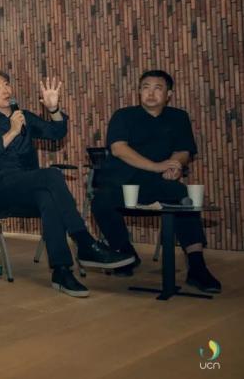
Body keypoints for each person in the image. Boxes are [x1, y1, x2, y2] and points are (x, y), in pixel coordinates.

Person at [0, 69, 135, 298]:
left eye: (6, 84)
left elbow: (57, 132)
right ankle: (84, 242)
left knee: (48, 197)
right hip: (1, 190)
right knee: (51, 175)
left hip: (30, 188)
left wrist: (53, 109)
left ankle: (61, 270)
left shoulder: (24, 116)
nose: (5, 90)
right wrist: (12, 131)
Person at [91, 70, 221, 292]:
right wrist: (158, 166)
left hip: (159, 183)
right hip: (123, 182)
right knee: (100, 201)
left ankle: (197, 267)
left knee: (183, 198)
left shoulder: (178, 117)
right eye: (146, 87)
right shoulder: (123, 115)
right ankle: (125, 253)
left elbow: (183, 151)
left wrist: (175, 165)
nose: (150, 93)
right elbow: (119, 148)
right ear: (139, 91)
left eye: (157, 88)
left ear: (168, 94)